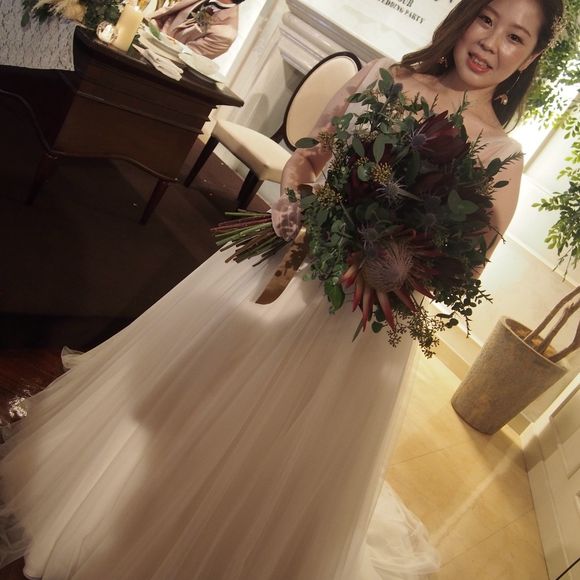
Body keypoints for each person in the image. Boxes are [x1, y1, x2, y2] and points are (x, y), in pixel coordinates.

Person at [0, 0, 563, 578]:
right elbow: (310, 156)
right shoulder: (385, 77)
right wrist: (295, 201)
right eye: (487, 19)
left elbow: (463, 271)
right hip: (284, 269)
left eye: (515, 37)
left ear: (529, 57)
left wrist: (387, 262)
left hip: (352, 327)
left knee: (274, 456)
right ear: (466, 16)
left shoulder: (500, 156)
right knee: (196, 402)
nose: (491, 42)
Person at [152, 0, 245, 59]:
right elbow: (166, 17)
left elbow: (185, 57)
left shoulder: (225, 35)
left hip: (160, 63)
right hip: (150, 39)